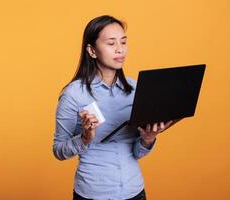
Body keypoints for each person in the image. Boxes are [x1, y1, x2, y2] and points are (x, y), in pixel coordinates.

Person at [53, 15, 180, 200]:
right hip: (92, 193)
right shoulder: (73, 94)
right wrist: (85, 138)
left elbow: (136, 152)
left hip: (134, 191)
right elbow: (58, 151)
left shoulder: (136, 89)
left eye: (123, 42)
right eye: (111, 43)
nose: (120, 49)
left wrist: (148, 138)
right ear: (92, 50)